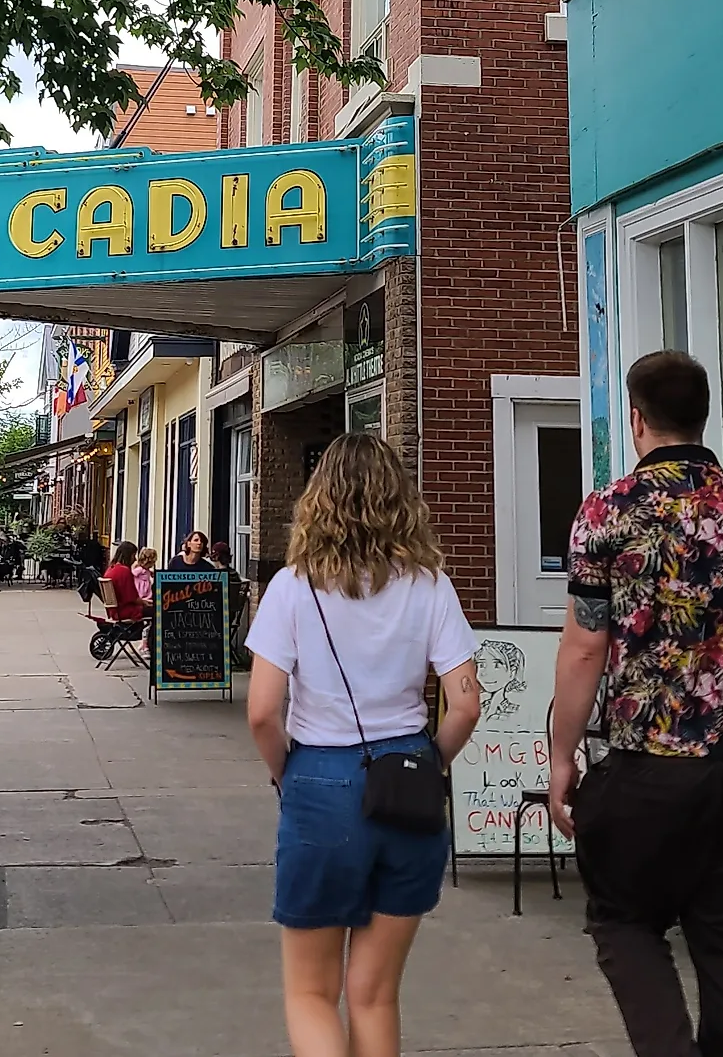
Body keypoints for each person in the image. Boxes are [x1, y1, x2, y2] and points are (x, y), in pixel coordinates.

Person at [546, 351, 723, 1057]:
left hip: (646, 768)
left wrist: (561, 755)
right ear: (703, 417)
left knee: (624, 922)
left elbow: (583, 649)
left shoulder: (606, 513)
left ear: (636, 418)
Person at [246, 432, 481, 1057]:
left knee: (311, 993)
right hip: (408, 780)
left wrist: (286, 775)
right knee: (375, 994)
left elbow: (264, 712)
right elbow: (465, 703)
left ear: (317, 498)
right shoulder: (429, 585)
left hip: (320, 779)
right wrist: (429, 763)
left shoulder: (292, 588)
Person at [101, 540, 148, 621]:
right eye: (134, 556)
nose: (135, 559)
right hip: (125, 611)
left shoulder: (111, 569)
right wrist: (146, 603)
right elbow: (133, 598)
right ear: (129, 555)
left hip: (114, 610)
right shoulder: (124, 571)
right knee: (155, 611)